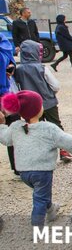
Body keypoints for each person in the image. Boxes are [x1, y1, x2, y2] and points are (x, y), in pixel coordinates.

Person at [0, 90, 72, 227]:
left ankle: (51, 209)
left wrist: (1, 125)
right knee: (40, 198)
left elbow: (5, 139)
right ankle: (37, 226)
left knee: (41, 194)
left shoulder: (16, 127)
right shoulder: (49, 129)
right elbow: (70, 143)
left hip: (23, 172)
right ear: (38, 109)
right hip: (42, 172)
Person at [1, 33, 19, 175]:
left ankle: (17, 166)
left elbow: (10, 58)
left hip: (7, 91)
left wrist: (11, 66)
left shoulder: (2, 39)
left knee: (14, 127)